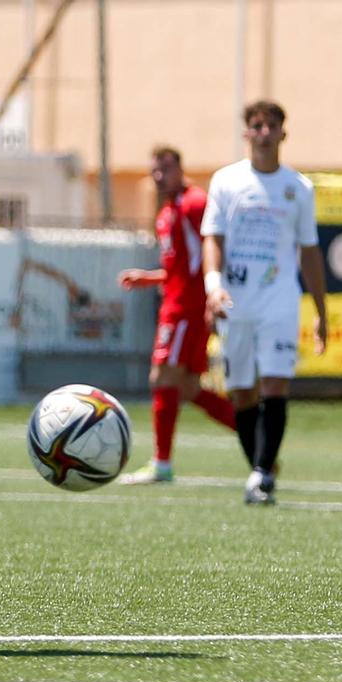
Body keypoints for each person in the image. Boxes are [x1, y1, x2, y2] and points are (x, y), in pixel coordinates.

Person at [202, 100, 327, 506]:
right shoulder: (225, 181)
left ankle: (259, 476)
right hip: (235, 302)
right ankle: (262, 465)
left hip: (280, 302)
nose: (264, 132)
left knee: (275, 383)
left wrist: (321, 312)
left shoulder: (298, 188)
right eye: (256, 125)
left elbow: (309, 252)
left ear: (282, 134)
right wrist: (213, 286)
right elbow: (213, 238)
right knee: (241, 392)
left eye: (271, 126)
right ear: (246, 134)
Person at [116, 145, 239, 484]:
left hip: (186, 309)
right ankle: (257, 440)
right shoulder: (167, 212)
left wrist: (214, 298)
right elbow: (184, 267)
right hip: (177, 305)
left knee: (162, 379)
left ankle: (162, 463)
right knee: (184, 386)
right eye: (154, 170)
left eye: (165, 169)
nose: (159, 176)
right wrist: (151, 277)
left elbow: (216, 251)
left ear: (179, 168)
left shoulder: (195, 204)